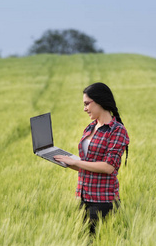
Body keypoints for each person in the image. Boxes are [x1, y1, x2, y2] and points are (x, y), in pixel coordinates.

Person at [54, 82, 130, 234]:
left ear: (100, 101)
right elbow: (86, 164)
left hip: (103, 202)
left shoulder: (117, 130)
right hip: (83, 198)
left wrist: (75, 161)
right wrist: (66, 162)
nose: (84, 108)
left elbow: (109, 167)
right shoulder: (89, 128)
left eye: (87, 104)